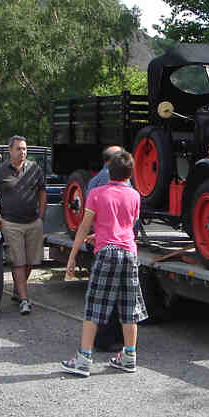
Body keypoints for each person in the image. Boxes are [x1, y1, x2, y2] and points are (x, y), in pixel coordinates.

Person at [61, 150, 148, 377]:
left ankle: (84, 359)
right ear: (130, 173)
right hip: (129, 252)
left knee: (95, 306)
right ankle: (129, 356)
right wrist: (102, 233)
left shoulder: (97, 193)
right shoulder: (135, 196)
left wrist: (73, 255)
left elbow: (84, 225)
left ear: (109, 169)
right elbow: (126, 225)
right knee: (129, 307)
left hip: (107, 252)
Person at [0, 135, 46, 316]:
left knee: (29, 262)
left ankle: (18, 291)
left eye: (25, 149)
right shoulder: (0, 172)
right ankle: (24, 299)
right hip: (10, 223)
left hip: (33, 222)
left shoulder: (34, 169)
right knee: (18, 261)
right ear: (10, 150)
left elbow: (42, 191)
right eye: (19, 149)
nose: (23, 152)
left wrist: (41, 216)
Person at [87, 146, 126, 353]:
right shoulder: (120, 182)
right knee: (120, 296)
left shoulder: (94, 182)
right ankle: (114, 339)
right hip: (120, 245)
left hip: (102, 245)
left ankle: (104, 338)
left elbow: (90, 215)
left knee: (103, 296)